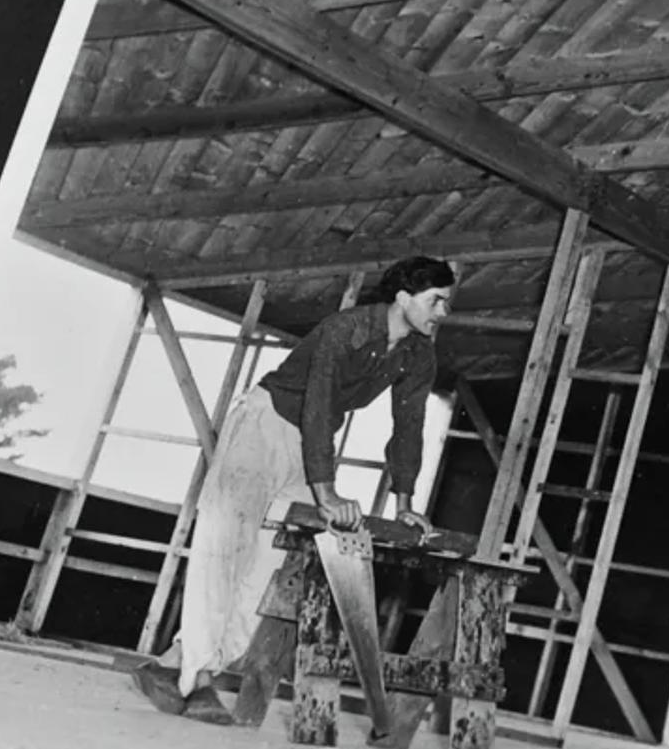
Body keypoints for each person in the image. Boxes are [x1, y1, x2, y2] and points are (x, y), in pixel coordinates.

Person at [134, 256, 455, 725]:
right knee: (225, 547)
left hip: (308, 443)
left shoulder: (418, 353)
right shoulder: (343, 329)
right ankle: (198, 679)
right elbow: (320, 405)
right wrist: (326, 493)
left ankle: (178, 666)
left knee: (271, 563)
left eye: (446, 302)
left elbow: (409, 425)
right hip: (264, 426)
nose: (443, 312)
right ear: (404, 297)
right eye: (436, 301)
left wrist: (406, 503)